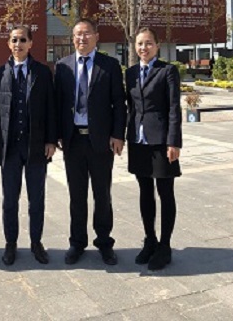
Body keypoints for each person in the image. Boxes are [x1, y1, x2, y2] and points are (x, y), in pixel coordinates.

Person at [55, 18, 126, 265]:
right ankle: (77, 243)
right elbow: (58, 103)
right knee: (76, 195)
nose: (81, 38)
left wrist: (118, 135)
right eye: (77, 34)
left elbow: (119, 103)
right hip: (73, 140)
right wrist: (57, 135)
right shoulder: (63, 66)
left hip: (101, 141)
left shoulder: (110, 65)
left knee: (102, 194)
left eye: (86, 33)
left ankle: (104, 242)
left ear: (97, 36)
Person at [0, 25, 56, 266]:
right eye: (14, 40)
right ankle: (10, 243)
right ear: (9, 44)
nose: (18, 44)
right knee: (10, 200)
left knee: (36, 199)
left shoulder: (42, 72)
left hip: (35, 145)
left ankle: (36, 242)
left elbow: (51, 107)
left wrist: (51, 140)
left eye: (23, 40)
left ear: (30, 44)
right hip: (9, 147)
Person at [125, 27, 182, 271]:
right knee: (145, 192)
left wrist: (173, 142)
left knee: (165, 192)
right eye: (140, 43)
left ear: (157, 46)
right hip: (138, 141)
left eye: (148, 43)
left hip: (161, 142)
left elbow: (174, 108)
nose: (143, 48)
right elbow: (130, 106)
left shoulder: (167, 71)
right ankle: (150, 240)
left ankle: (165, 246)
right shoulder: (130, 73)